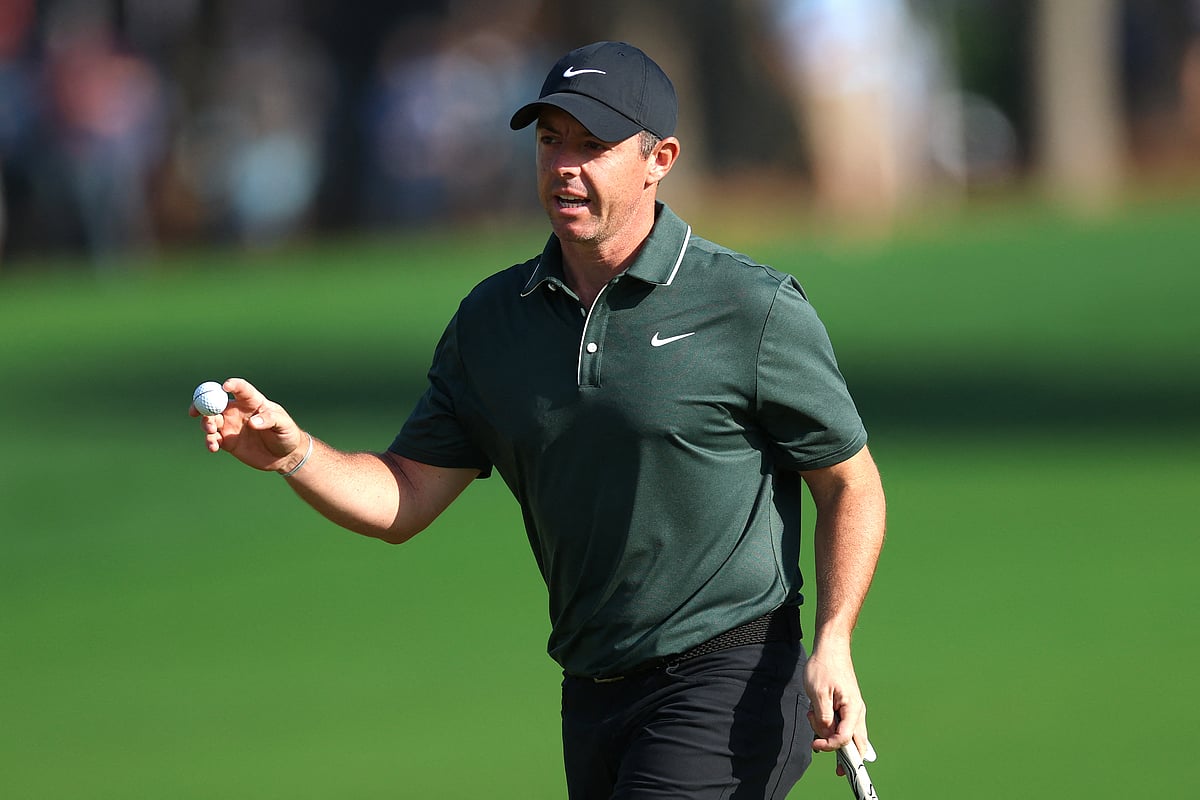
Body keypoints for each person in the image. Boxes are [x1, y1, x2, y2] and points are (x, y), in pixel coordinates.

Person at [193, 40, 886, 799]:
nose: (564, 165)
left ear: (660, 159)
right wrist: (296, 456)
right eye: (551, 140)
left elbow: (850, 484)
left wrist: (835, 638)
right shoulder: (493, 323)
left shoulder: (749, 307)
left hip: (729, 679)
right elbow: (404, 497)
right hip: (591, 691)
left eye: (593, 145)